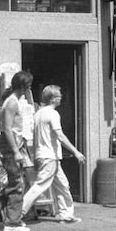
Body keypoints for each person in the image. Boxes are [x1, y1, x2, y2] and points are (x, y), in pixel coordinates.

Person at [0, 70, 36, 231]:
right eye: (29, 85)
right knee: (17, 184)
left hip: (15, 145)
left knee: (15, 183)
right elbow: (7, 129)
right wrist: (16, 151)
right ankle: (12, 223)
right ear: (24, 86)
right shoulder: (11, 103)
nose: (30, 88)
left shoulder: (14, 101)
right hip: (11, 147)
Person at [20, 85, 86, 223]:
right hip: (50, 156)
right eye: (59, 96)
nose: (61, 98)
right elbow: (60, 136)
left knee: (63, 185)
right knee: (40, 186)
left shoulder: (38, 114)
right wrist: (76, 152)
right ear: (53, 99)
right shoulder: (52, 114)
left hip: (44, 156)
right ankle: (18, 212)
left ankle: (66, 214)